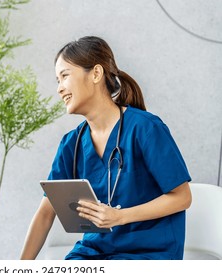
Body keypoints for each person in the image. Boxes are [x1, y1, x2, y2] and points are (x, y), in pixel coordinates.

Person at [20, 36, 192, 260]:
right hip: (94, 253)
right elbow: (45, 213)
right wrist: (21, 267)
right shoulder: (71, 144)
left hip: (149, 254)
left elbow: (182, 197)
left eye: (64, 76)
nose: (59, 89)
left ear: (96, 73)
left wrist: (120, 217)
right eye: (57, 80)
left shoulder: (145, 128)